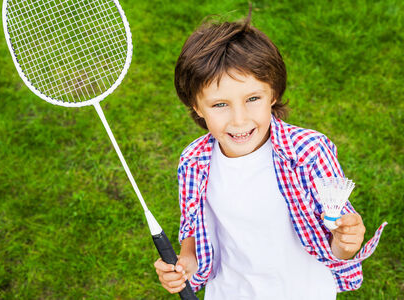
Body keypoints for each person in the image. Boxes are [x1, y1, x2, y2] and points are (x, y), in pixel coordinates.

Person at [154, 9, 387, 299]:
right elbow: (194, 231)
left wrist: (347, 242)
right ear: (197, 107)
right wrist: (184, 266)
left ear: (273, 94)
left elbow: (336, 244)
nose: (239, 120)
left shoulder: (310, 152)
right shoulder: (194, 162)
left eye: (252, 99)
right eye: (219, 105)